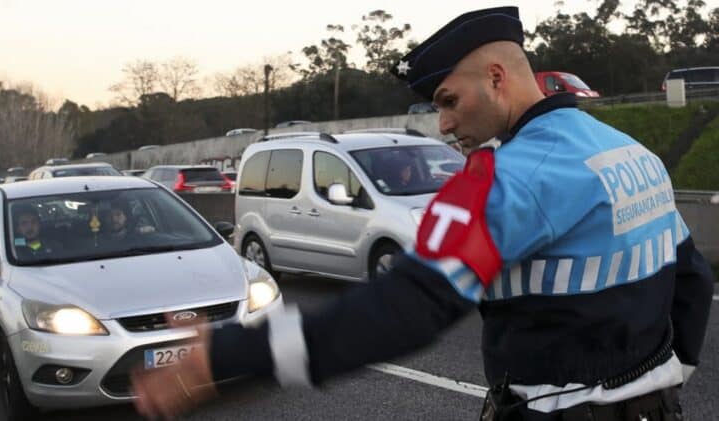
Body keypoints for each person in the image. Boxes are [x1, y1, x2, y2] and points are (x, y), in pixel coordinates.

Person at [131, 6, 715, 421]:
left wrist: (223, 354)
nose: (444, 124)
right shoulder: (623, 151)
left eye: (448, 101)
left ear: (496, 78)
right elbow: (691, 275)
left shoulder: (508, 179)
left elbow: (404, 310)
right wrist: (672, 374)